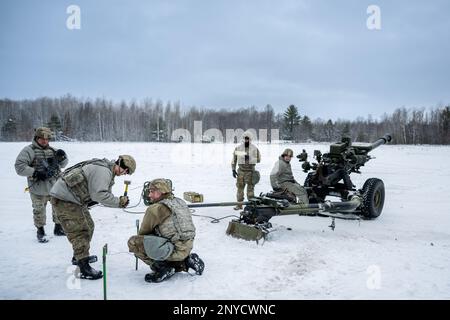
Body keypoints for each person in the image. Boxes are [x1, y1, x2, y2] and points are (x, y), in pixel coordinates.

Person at [49, 155, 136, 280]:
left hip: (74, 199)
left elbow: (99, 193)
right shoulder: (104, 171)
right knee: (80, 231)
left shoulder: (107, 170)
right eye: (125, 171)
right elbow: (99, 195)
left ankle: (79, 256)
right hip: (65, 199)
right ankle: (83, 266)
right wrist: (119, 202)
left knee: (89, 226)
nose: (124, 174)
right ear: (121, 165)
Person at [128, 178, 204, 283]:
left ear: (161, 192)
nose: (149, 195)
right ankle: (186, 261)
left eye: (152, 191)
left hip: (173, 249)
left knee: (134, 242)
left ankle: (161, 268)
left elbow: (144, 234)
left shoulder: (155, 208)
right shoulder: (180, 202)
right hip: (187, 246)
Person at [14, 127, 69, 243]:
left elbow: (63, 164)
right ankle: (41, 231)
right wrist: (35, 173)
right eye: (42, 138)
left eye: (47, 139)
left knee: (58, 208)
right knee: (39, 211)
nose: (45, 141)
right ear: (36, 138)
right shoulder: (29, 150)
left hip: (54, 187)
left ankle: (58, 228)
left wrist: (63, 157)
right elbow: (19, 166)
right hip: (38, 188)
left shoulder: (53, 150)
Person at [231, 130, 261, 210]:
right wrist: (233, 169)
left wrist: (251, 158)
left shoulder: (254, 149)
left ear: (250, 139)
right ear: (243, 139)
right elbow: (234, 159)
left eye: (248, 139)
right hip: (241, 172)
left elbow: (259, 159)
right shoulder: (238, 148)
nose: (246, 140)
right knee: (240, 189)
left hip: (250, 172)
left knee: (250, 190)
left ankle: (251, 205)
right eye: (245, 138)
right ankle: (239, 205)